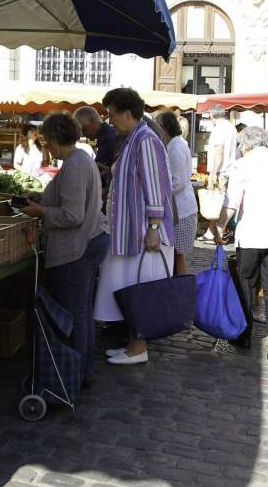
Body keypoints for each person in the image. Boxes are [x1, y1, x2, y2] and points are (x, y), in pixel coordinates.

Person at [22, 112, 110, 387]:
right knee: (82, 311)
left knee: (74, 314)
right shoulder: (81, 159)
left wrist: (41, 210)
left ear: (56, 139)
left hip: (77, 247)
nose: (45, 146)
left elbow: (73, 215)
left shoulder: (75, 165)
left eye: (47, 141)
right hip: (89, 241)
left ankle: (74, 374)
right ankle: (83, 372)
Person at [94, 88, 175, 366]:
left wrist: (154, 225)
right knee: (130, 288)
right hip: (130, 232)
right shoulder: (133, 139)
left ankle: (139, 347)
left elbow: (156, 187)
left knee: (141, 290)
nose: (109, 119)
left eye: (112, 113)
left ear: (127, 113)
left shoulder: (146, 141)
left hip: (143, 233)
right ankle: (133, 344)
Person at [212, 127, 268, 365]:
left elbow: (231, 202)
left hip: (252, 234)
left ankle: (244, 334)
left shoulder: (243, 165)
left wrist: (219, 226)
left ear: (245, 146)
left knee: (246, 284)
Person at [155, 111, 198, 275]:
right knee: (174, 254)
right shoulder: (175, 144)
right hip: (180, 208)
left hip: (182, 210)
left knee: (177, 254)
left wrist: (158, 193)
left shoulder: (176, 147)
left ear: (164, 128)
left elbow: (178, 181)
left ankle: (180, 289)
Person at [73, 106, 118, 192]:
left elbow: (98, 171)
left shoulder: (107, 137)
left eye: (83, 129)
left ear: (93, 121)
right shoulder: (107, 134)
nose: (82, 135)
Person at [206, 105, 237, 192]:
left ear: (212, 115)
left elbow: (219, 151)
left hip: (220, 172)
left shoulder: (219, 128)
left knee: (215, 201)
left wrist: (214, 173)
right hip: (228, 170)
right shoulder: (232, 127)